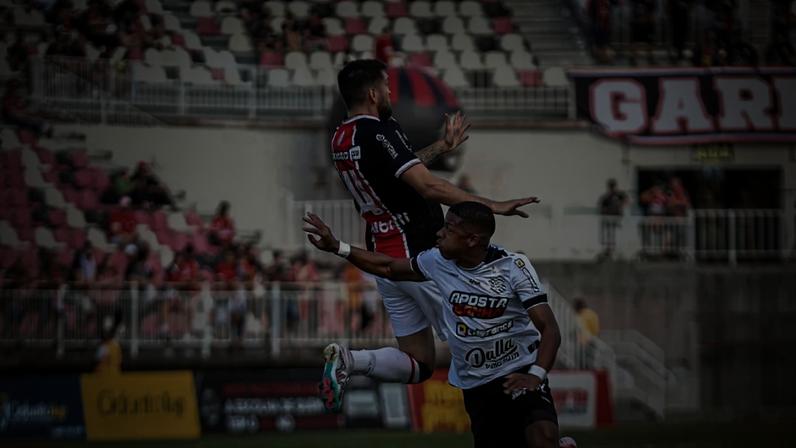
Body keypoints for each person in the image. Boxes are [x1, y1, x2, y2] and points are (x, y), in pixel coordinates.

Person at [322, 59, 539, 412]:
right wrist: (493, 205)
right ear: (374, 94)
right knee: (487, 340)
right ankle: (531, 424)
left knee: (420, 362)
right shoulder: (379, 131)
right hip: (419, 254)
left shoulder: (341, 137)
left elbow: (395, 172)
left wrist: (441, 147)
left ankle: (351, 360)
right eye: (388, 88)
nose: (392, 93)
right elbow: (429, 186)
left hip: (386, 258)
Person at [304, 202, 561, 448]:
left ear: (472, 239)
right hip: (477, 383)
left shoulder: (513, 266)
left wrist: (535, 375)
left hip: (519, 368)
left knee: (542, 438)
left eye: (449, 229)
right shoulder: (436, 261)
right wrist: (338, 247)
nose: (439, 233)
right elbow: (390, 268)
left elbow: (549, 328)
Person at [597, 178, 628, 259]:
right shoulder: (606, 196)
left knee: (616, 234)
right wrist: (604, 212)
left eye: (612, 186)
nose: (611, 188)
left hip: (617, 217)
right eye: (610, 186)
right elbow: (601, 205)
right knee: (609, 234)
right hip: (609, 217)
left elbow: (626, 200)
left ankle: (615, 250)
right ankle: (609, 249)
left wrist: (621, 206)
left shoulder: (619, 194)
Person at [573, 298, 600, 368]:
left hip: (583, 341)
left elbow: (580, 329)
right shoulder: (592, 313)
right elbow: (596, 329)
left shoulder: (580, 315)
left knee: (581, 361)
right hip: (593, 339)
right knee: (590, 360)